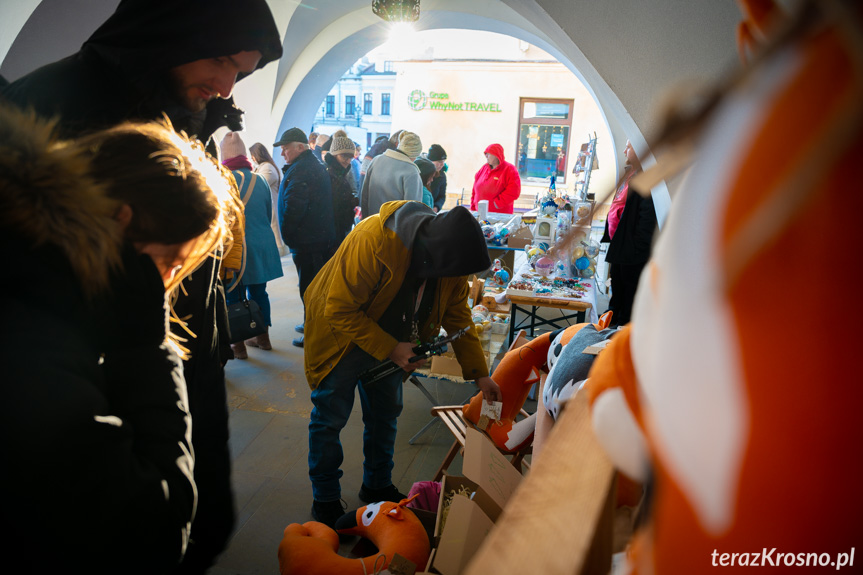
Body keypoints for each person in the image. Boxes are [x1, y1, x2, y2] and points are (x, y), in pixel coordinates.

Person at [1, 3, 283, 571]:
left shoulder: (183, 107)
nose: (228, 82)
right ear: (173, 28)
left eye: (242, 71)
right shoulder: (50, 107)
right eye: (222, 59)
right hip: (88, 391)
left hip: (169, 363)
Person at [0, 105, 238, 572]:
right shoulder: (40, 349)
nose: (169, 288)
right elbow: (155, 530)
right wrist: (147, 351)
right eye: (170, 265)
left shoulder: (36, 291)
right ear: (119, 221)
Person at [302, 200, 503, 528]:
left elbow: (457, 315)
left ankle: (377, 484)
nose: (458, 279)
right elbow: (338, 309)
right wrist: (391, 347)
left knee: (385, 415)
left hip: (394, 339)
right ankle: (324, 498)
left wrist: (480, 374)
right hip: (341, 335)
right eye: (456, 272)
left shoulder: (448, 259)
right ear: (434, 255)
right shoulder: (373, 240)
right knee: (329, 418)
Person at [220, 133, 284, 357]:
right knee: (260, 293)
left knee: (232, 296)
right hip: (261, 244)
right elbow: (268, 213)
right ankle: (263, 337)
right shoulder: (260, 179)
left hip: (235, 249)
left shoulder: (223, 181)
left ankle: (238, 346)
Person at [275, 127, 337, 348]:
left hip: (309, 242)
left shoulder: (303, 170)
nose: (283, 154)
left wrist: (289, 235)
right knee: (311, 287)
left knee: (311, 290)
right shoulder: (306, 166)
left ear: (300, 148)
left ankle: (314, 333)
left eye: (285, 149)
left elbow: (294, 207)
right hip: (313, 239)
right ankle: (310, 324)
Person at [599, 140, 656, 327]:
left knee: (627, 305)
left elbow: (647, 220)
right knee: (616, 301)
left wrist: (636, 250)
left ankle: (617, 339)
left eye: (629, 147)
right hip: (620, 250)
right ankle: (608, 334)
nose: (624, 150)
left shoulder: (646, 177)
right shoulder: (631, 173)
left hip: (632, 254)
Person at [360, 130, 423, 218]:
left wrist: (365, 220)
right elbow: (412, 210)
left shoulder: (376, 160)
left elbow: (364, 196)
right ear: (415, 155)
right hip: (394, 229)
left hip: (372, 222)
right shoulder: (411, 171)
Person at [250, 142, 288, 256]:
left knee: (275, 236)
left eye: (252, 155)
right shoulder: (263, 167)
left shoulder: (267, 167)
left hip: (271, 207)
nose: (252, 158)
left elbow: (258, 185)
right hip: (267, 207)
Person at [324, 130, 359, 242]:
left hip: (340, 229)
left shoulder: (341, 172)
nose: (348, 161)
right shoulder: (329, 173)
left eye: (350, 157)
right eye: (344, 156)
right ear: (334, 154)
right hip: (332, 232)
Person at [471, 143, 521, 214]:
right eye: (485, 154)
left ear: (496, 155)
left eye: (488, 154)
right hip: (479, 213)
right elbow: (474, 189)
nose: (486, 156)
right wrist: (473, 207)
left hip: (499, 215)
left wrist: (496, 204)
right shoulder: (484, 168)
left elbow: (514, 191)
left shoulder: (509, 169)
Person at [427, 144, 448, 212]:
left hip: (432, 212)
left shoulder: (441, 176)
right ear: (431, 161)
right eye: (439, 162)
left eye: (443, 161)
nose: (442, 164)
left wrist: (436, 207)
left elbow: (442, 196)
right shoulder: (420, 173)